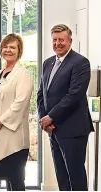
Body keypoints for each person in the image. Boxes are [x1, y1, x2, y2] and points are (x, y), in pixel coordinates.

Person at [37, 24, 93, 191]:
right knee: (61, 175)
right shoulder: (48, 63)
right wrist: (44, 119)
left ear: (70, 41)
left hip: (73, 129)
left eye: (61, 40)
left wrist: (50, 117)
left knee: (75, 176)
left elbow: (74, 95)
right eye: (54, 40)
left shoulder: (80, 62)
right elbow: (42, 94)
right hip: (53, 129)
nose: (57, 43)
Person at [0, 34, 33, 191]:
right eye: (5, 47)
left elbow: (20, 103)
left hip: (14, 136)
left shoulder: (23, 74)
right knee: (7, 179)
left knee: (16, 180)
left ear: (19, 51)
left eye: (12, 47)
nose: (8, 50)